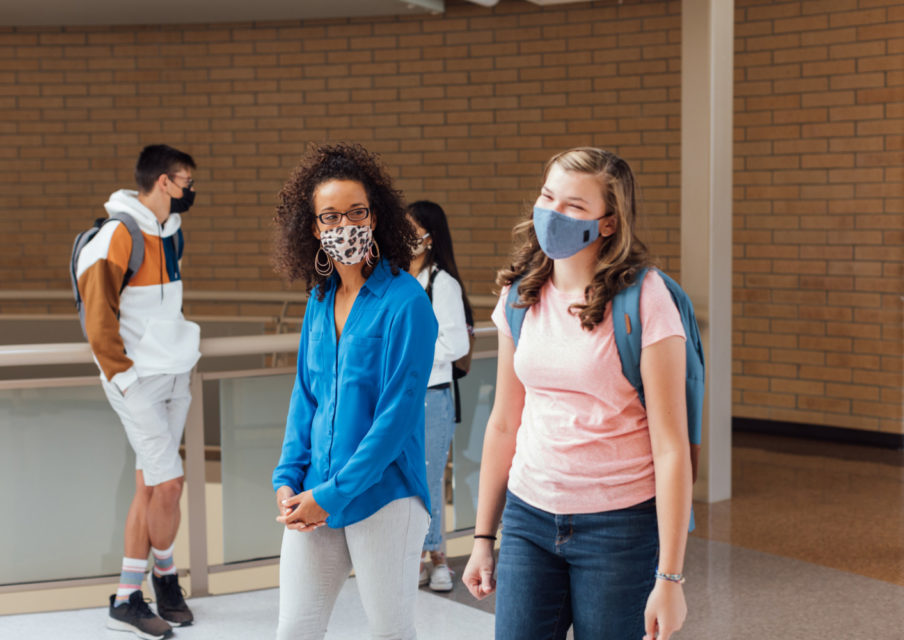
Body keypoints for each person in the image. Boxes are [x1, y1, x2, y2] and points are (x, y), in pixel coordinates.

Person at [462, 147, 692, 640]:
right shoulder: (519, 295)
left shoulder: (646, 299)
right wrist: (483, 537)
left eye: (573, 206)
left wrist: (670, 578)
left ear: (608, 223)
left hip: (619, 527)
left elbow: (671, 447)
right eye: (548, 197)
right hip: (528, 516)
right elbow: (504, 421)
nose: (552, 213)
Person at [271, 143, 438, 640]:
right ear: (315, 229)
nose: (345, 226)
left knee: (390, 633)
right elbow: (305, 396)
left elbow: (395, 419)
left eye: (356, 212)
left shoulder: (406, 303)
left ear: (375, 216)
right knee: (294, 631)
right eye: (331, 216)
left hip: (386, 499)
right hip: (313, 494)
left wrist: (333, 494)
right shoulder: (319, 300)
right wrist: (287, 477)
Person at [76, 144, 200, 640]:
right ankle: (133, 596)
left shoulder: (171, 234)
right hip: (135, 380)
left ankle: (157, 583)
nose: (191, 189)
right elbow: (97, 317)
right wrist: (122, 378)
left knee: (151, 486)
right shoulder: (116, 236)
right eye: (186, 180)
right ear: (164, 182)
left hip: (175, 374)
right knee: (171, 484)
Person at [406, 200, 472, 592]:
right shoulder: (399, 280)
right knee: (409, 479)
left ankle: (436, 558)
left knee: (428, 479)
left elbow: (454, 342)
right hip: (404, 397)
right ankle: (422, 555)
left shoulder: (442, 283)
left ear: (429, 239)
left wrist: (408, 355)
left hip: (432, 396)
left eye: (412, 231)